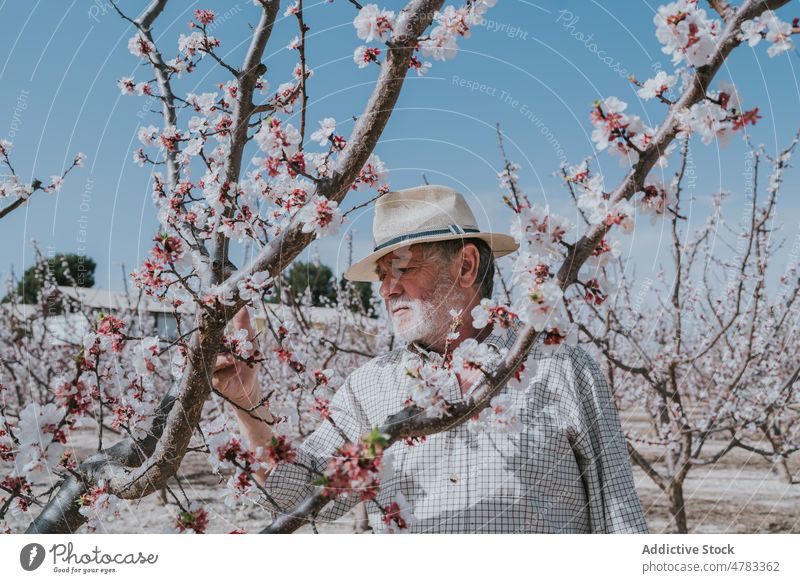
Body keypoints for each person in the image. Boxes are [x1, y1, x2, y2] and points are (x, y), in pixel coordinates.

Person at [213, 184, 649, 533]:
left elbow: (620, 518)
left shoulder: (561, 369)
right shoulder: (370, 388)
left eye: (402, 269)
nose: (386, 290)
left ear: (465, 267)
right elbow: (302, 496)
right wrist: (250, 408)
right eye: (382, 276)